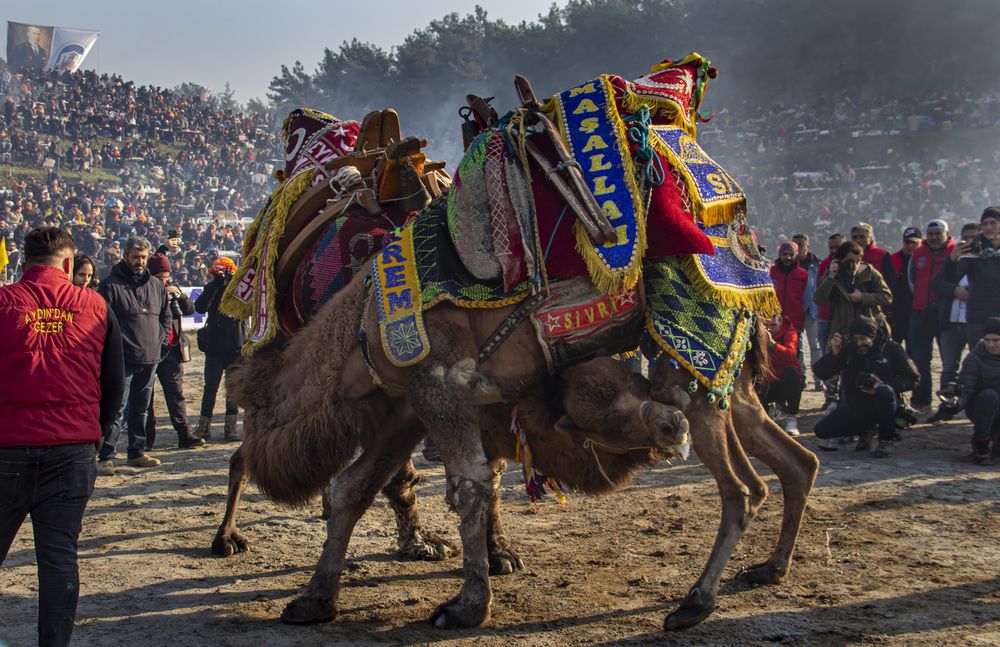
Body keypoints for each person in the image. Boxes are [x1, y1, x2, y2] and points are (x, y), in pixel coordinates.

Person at [0, 226, 124, 647]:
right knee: (58, 561)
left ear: (23, 261)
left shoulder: (2, 304)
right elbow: (113, 383)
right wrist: (97, 433)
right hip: (72, 450)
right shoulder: (95, 305)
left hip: (8, 447)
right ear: (70, 264)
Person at [96, 236, 170, 474]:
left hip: (150, 358)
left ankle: (136, 453)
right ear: (126, 257)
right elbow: (101, 323)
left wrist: (160, 343)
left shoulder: (156, 286)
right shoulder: (110, 286)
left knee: (141, 408)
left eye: (143, 257)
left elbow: (165, 318)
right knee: (116, 408)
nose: (140, 261)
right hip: (122, 360)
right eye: (136, 257)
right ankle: (106, 456)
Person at [812, 316, 919, 457]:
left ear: (873, 336)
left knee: (883, 392)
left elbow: (914, 378)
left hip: (886, 406)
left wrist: (883, 385)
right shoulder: (849, 351)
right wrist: (834, 355)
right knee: (822, 430)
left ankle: (886, 440)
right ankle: (865, 431)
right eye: (855, 339)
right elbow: (821, 372)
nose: (859, 343)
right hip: (858, 407)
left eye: (863, 339)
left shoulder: (891, 348)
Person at [144, 252, 205, 450]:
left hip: (172, 349)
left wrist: (179, 295)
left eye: (165, 275)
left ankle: (184, 433)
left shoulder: (172, 286)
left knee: (176, 394)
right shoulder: (144, 289)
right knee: (146, 397)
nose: (163, 279)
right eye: (159, 276)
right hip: (150, 349)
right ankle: (146, 439)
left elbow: (189, 309)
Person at [928, 222, 981, 423]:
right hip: (951, 321)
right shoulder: (953, 258)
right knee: (949, 368)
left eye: (973, 237)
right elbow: (937, 282)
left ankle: (976, 409)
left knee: (980, 367)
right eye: (965, 237)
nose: (969, 241)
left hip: (977, 321)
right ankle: (947, 406)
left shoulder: (988, 258)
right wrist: (954, 290)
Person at [194, 257, 246, 442]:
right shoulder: (212, 287)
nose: (220, 276)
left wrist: (234, 282)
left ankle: (230, 428)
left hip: (235, 346)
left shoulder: (240, 289)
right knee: (210, 388)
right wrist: (216, 285)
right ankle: (203, 427)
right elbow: (200, 307)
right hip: (215, 347)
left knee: (232, 389)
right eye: (217, 273)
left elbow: (249, 307)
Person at [906, 219, 955, 408]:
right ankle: (921, 399)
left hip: (945, 313)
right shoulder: (918, 253)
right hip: (920, 312)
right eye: (931, 233)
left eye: (938, 233)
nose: (934, 237)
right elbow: (911, 280)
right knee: (919, 360)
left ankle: (948, 401)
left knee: (948, 361)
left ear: (946, 234)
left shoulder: (954, 252)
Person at [814, 240, 893, 347]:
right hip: (843, 331)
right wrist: (830, 277)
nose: (855, 265)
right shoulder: (833, 275)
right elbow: (818, 299)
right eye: (850, 261)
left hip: (869, 329)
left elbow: (887, 297)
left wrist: (862, 297)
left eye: (858, 261)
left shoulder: (869, 272)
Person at [952, 317, 1000, 465]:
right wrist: (954, 405)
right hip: (982, 407)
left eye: (996, 340)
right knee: (988, 396)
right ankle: (981, 448)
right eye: (987, 340)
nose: (991, 344)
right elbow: (966, 388)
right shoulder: (975, 358)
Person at [953, 207, 1000, 349]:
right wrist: (952, 260)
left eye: (993, 223)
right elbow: (950, 277)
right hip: (978, 318)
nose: (989, 227)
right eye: (984, 224)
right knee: (979, 361)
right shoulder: (973, 249)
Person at [759, 313, 804, 436]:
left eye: (773, 325)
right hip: (766, 378)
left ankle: (792, 417)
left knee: (794, 376)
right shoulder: (757, 332)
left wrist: (773, 345)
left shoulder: (790, 332)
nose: (769, 329)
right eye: (766, 325)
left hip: (784, 378)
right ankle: (766, 413)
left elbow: (790, 356)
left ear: (780, 322)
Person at [770, 241, 809, 365]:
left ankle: (799, 379)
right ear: (779, 254)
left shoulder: (803, 275)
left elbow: (807, 300)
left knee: (796, 351)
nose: (787, 257)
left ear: (796, 255)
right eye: (784, 254)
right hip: (774, 321)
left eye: (791, 254)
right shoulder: (771, 272)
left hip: (794, 320)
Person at [816, 233, 844, 405]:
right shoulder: (826, 264)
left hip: (840, 318)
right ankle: (830, 395)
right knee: (828, 357)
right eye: (831, 248)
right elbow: (819, 292)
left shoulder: (851, 265)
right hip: (824, 316)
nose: (834, 250)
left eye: (837, 247)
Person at [792, 233, 822, 388]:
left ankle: (818, 380)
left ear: (807, 247)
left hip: (812, 310)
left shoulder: (816, 265)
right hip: (795, 310)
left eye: (801, 245)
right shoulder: (789, 265)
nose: (798, 248)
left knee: (815, 346)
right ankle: (802, 377)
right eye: (795, 245)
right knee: (798, 346)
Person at [888, 227, 922, 348]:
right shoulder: (893, 259)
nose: (910, 246)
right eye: (907, 242)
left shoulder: (924, 260)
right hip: (896, 314)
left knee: (914, 350)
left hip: (915, 312)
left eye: (914, 243)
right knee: (892, 348)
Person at [851, 222, 897, 292]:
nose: (858, 240)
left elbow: (891, 283)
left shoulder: (883, 256)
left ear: (870, 238)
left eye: (862, 237)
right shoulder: (848, 257)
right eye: (855, 237)